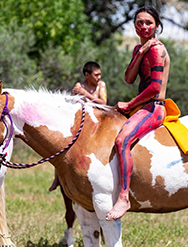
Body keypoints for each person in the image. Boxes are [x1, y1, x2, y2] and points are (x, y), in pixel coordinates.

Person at [106, 6, 170, 221]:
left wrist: (129, 104)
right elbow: (129, 78)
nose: (144, 26)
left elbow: (153, 88)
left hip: (153, 107)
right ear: (134, 25)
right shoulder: (141, 49)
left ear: (157, 26)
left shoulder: (157, 49)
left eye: (148, 23)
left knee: (122, 140)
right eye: (139, 22)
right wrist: (140, 52)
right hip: (142, 106)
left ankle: (124, 197)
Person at [49, 61, 107, 191]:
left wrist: (85, 94)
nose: (99, 78)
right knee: (62, 146)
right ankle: (58, 178)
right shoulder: (79, 85)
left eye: (99, 74)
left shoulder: (101, 85)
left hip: (98, 122)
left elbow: (103, 102)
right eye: (96, 75)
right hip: (82, 121)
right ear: (87, 75)